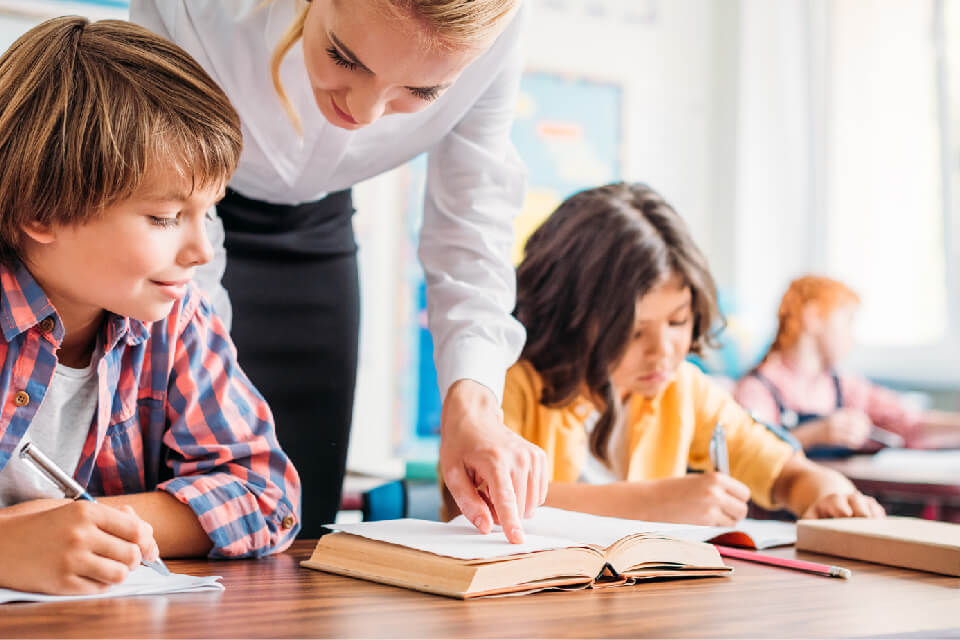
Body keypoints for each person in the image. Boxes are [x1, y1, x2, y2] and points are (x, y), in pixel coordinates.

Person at [129, 0, 547, 541]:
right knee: (174, 488)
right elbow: (160, 168)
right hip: (175, 211)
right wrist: (200, 357)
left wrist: (472, 404)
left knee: (301, 516)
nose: (366, 110)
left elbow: (472, 222)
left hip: (319, 235)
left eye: (421, 92)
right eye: (344, 57)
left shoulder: (500, 30)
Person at [0, 17, 300, 595]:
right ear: (39, 210)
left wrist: (91, 530)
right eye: (164, 218)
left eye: (207, 212)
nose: (200, 251)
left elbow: (269, 496)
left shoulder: (175, 319)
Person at [449, 183, 883, 526]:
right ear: (571, 315)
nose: (663, 352)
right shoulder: (508, 381)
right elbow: (478, 507)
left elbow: (785, 475)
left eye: (678, 322)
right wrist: (652, 502)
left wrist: (828, 493)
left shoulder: (684, 389)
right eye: (634, 331)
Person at [734, 275, 960, 455]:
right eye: (848, 321)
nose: (852, 336)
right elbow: (750, 453)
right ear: (812, 317)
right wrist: (812, 435)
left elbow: (910, 425)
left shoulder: (843, 386)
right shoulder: (758, 388)